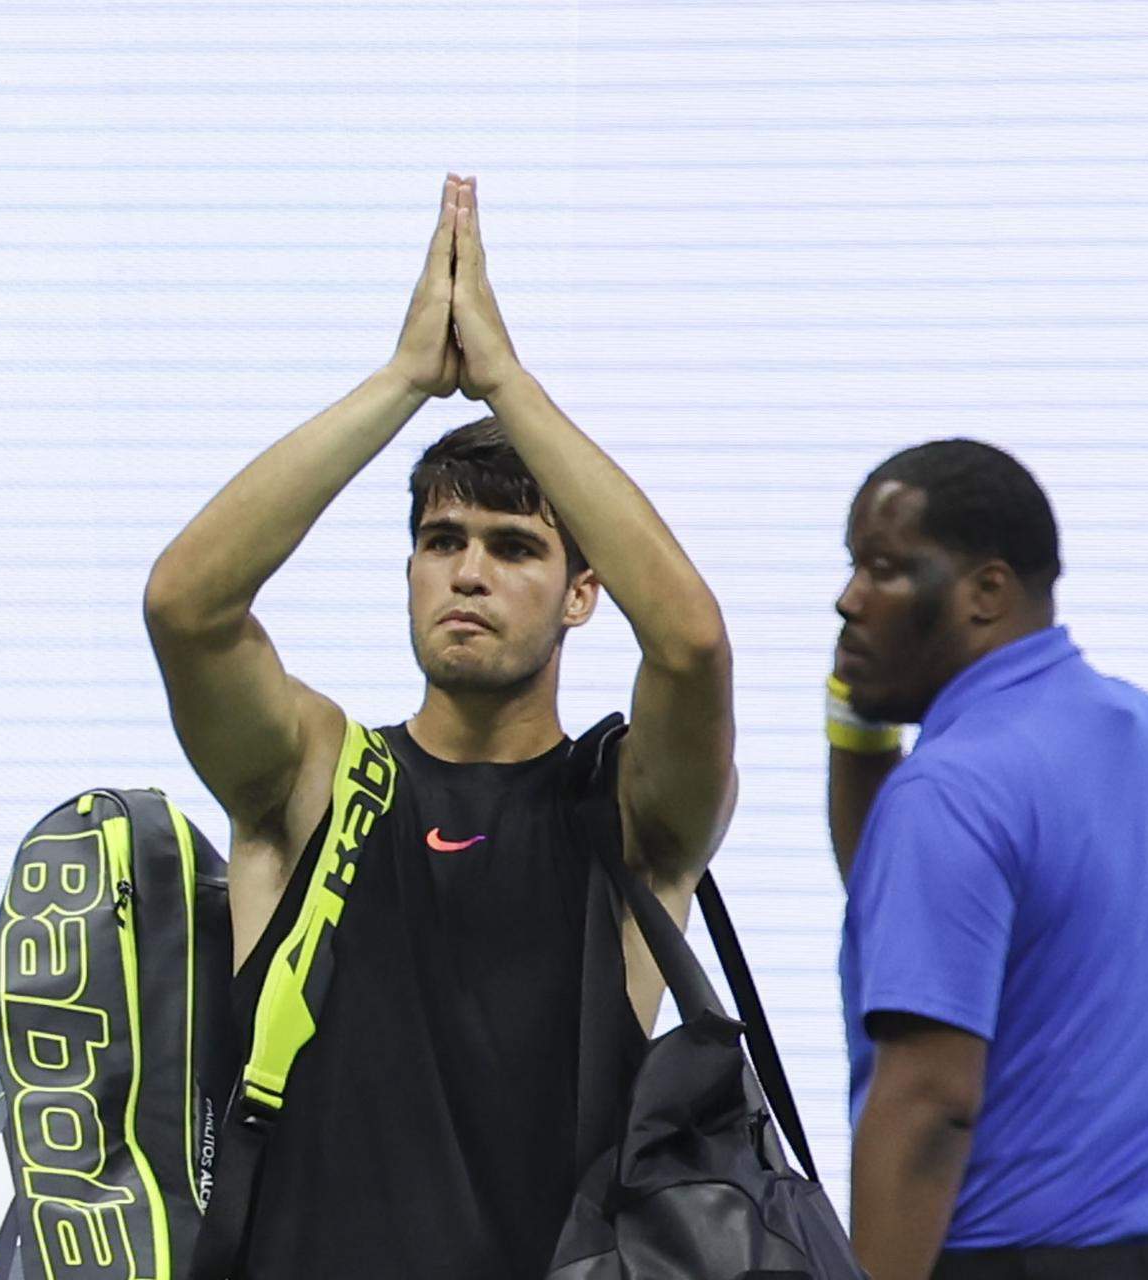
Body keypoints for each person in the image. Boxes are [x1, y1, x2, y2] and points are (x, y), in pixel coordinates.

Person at [143, 174, 736, 1279]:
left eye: (515, 546)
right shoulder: (317, 771)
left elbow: (693, 643)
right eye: (440, 538)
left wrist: (506, 382)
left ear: (581, 592)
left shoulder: (623, 811)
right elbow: (187, 604)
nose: (467, 569)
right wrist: (404, 381)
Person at [825, 440, 1148, 1280]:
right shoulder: (1144, 732)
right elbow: (902, 913)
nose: (848, 600)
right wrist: (857, 712)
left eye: (886, 569)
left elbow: (931, 1103)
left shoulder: (948, 792)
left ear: (986, 592)